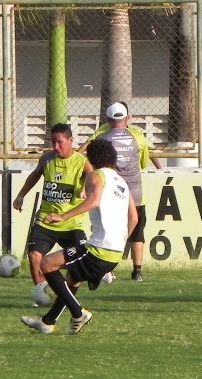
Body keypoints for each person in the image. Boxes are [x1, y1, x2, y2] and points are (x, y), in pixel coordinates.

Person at [21, 139, 138, 335]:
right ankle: (48, 322)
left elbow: (93, 201)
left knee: (47, 264)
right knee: (72, 279)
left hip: (99, 248)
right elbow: (133, 217)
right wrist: (119, 240)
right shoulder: (122, 182)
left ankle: (78, 313)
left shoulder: (96, 176)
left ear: (91, 158)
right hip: (115, 251)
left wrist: (63, 215)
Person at [79, 102, 161, 282]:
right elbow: (144, 162)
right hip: (135, 192)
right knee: (138, 233)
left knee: (107, 229)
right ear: (127, 118)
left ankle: (109, 270)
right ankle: (137, 271)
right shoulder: (137, 135)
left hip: (112, 193)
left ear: (108, 119)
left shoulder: (102, 134)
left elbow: (86, 149)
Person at [13, 123, 90, 304]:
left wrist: (85, 186)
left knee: (78, 263)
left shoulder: (81, 162)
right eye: (53, 143)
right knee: (34, 257)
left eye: (60, 142)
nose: (56, 147)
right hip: (46, 219)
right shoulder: (47, 159)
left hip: (71, 222)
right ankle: (41, 296)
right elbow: (35, 175)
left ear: (71, 141)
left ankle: (66, 297)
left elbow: (92, 174)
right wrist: (21, 195)